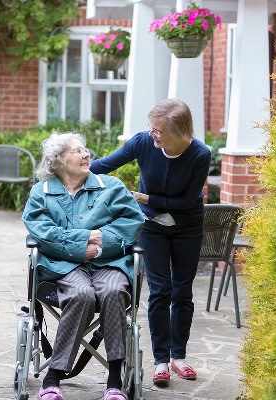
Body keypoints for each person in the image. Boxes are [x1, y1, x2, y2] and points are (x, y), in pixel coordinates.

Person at [90, 98, 211, 386]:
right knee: (160, 290)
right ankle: (160, 361)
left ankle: (178, 356)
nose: (151, 134)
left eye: (157, 130)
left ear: (178, 132)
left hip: (187, 227)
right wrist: (68, 169)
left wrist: (145, 198)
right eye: (151, 128)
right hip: (152, 227)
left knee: (182, 291)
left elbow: (185, 201)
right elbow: (104, 165)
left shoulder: (200, 154)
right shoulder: (143, 143)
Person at [22, 132, 145, 400]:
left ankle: (115, 380)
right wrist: (85, 240)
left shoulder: (110, 186)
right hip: (63, 267)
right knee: (81, 294)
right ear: (58, 161)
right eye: (76, 151)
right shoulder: (41, 192)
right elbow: (42, 232)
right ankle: (53, 376)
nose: (85, 154)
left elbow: (132, 222)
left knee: (112, 291)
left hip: (109, 262)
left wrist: (101, 247)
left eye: (84, 150)